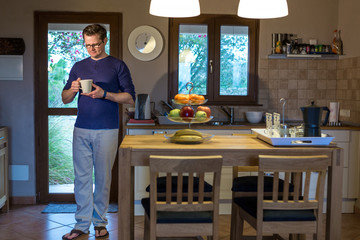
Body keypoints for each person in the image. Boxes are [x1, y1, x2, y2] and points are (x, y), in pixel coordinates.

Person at [61, 24, 135, 240]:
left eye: (95, 45)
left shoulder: (117, 66)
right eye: (87, 45)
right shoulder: (78, 66)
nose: (91, 49)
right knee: (81, 178)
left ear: (105, 41)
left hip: (108, 129)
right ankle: (81, 225)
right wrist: (72, 89)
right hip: (81, 128)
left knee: (102, 178)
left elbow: (130, 98)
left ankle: (100, 223)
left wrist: (105, 94)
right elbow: (65, 99)